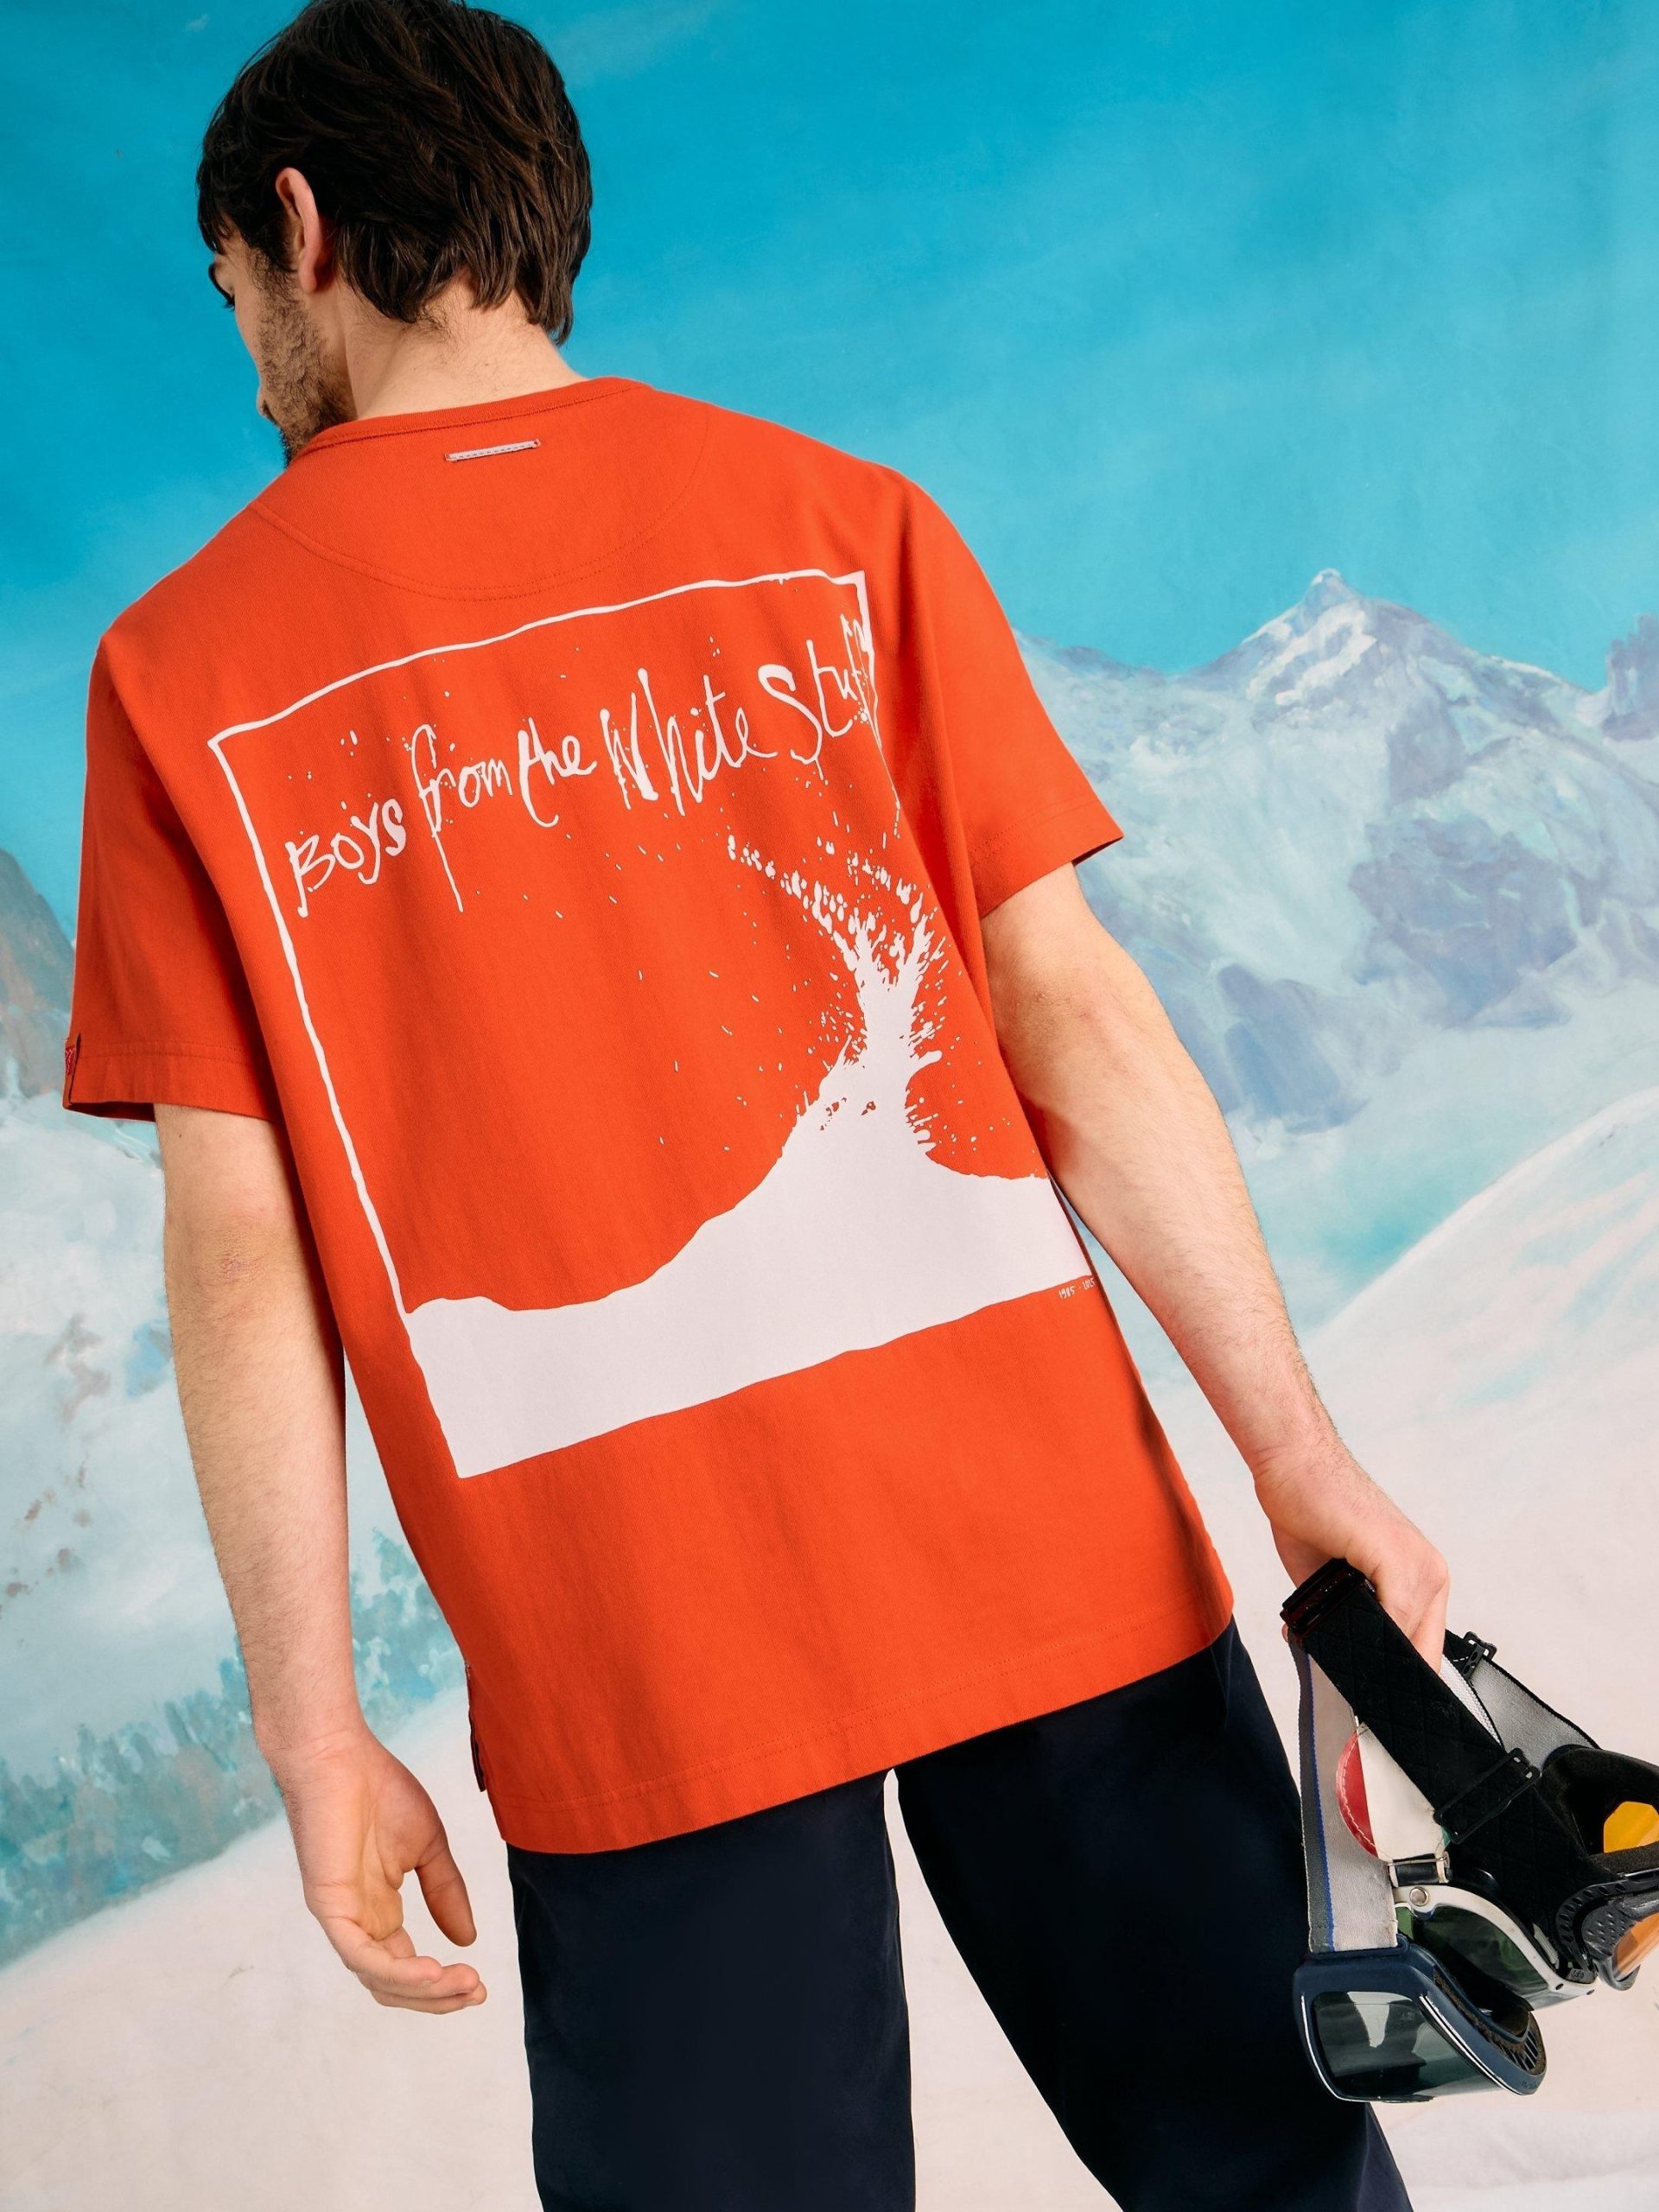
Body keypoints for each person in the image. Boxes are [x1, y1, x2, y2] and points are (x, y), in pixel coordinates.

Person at [62, 3, 1443, 2205]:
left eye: (235, 296)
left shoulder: (180, 676)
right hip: (1047, 1545)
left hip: (628, 1645)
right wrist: (1298, 1453)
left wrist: (313, 1729)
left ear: (302, 228)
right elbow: (1074, 1018)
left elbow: (243, 1245)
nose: (250, 370)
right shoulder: (839, 521)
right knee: (1280, 2177)